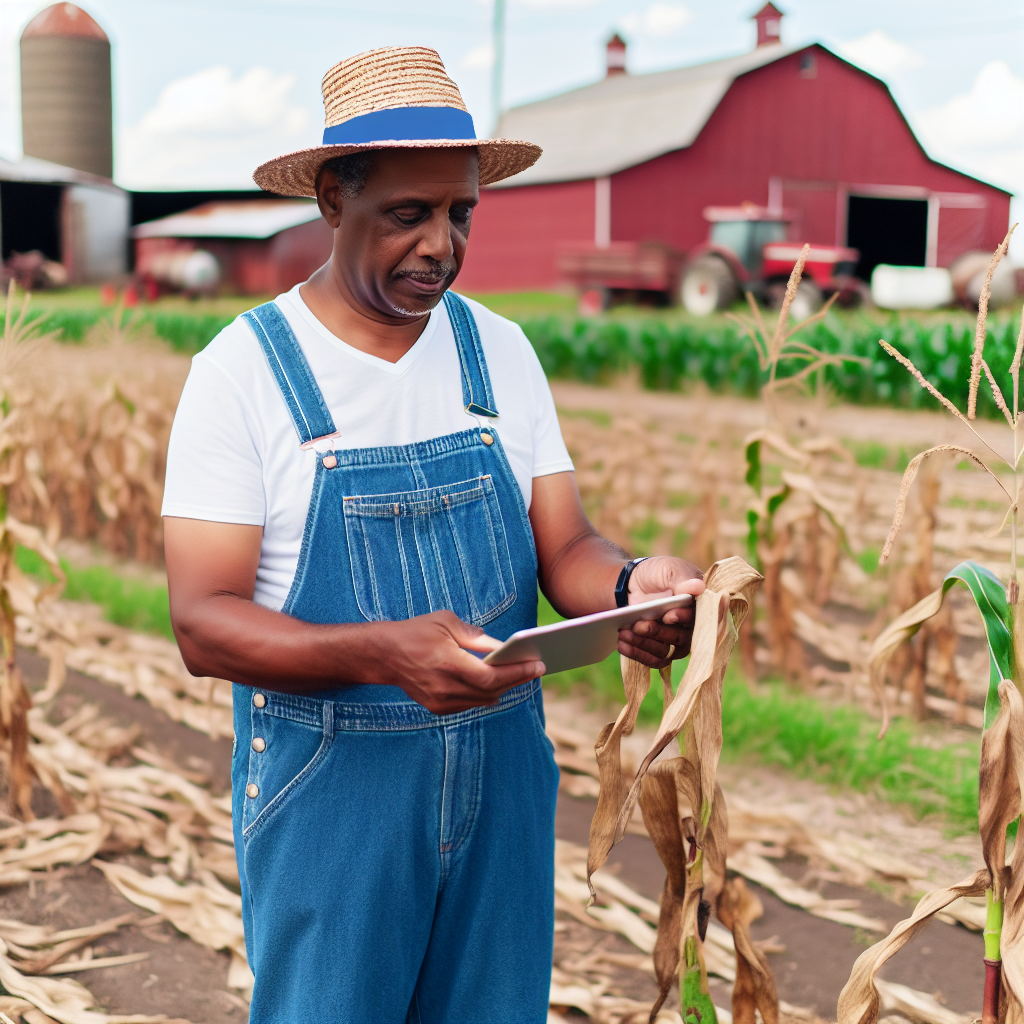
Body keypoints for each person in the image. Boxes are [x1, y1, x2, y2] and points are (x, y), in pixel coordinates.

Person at [162, 45, 705, 1024]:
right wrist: (384, 653)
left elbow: (566, 549)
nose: (441, 247)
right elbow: (203, 624)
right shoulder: (243, 372)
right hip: (335, 788)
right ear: (333, 199)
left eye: (460, 214)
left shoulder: (497, 349)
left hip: (503, 777)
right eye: (406, 215)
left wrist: (632, 589)